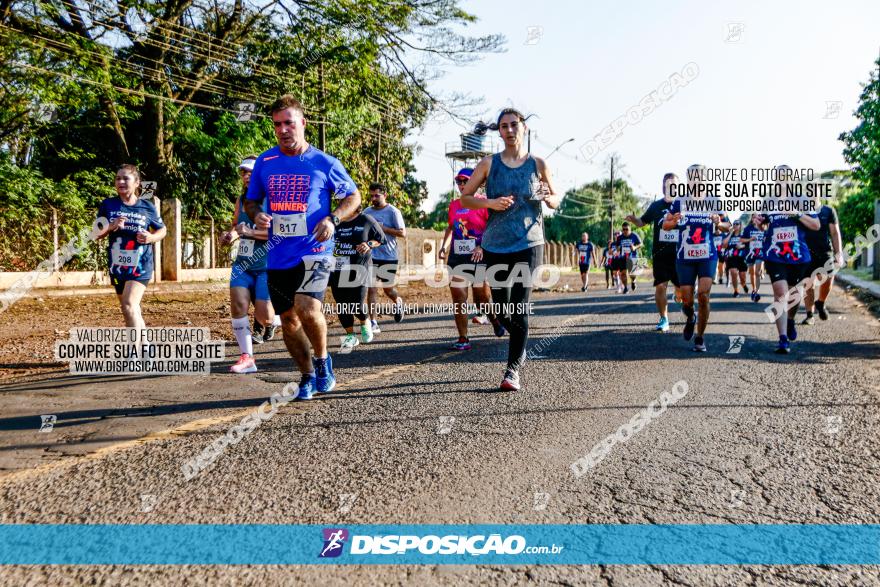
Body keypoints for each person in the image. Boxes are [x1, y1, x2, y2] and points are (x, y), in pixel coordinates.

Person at [244, 94, 362, 399]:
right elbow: (251, 199)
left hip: (315, 250)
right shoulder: (265, 162)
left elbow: (353, 197)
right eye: (277, 124)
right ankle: (307, 375)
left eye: (289, 123)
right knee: (288, 319)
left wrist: (333, 219)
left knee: (307, 308)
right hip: (278, 253)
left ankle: (323, 361)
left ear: (303, 123)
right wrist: (257, 214)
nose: (283, 129)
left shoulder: (324, 162)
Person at [459, 107, 562, 391]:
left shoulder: (538, 164)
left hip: (529, 243)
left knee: (519, 307)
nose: (509, 130)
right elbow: (465, 200)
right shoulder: (488, 164)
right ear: (500, 131)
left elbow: (554, 199)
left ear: (524, 128)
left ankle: (512, 369)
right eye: (504, 126)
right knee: (503, 308)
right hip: (496, 243)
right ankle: (518, 341)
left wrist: (547, 197)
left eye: (514, 124)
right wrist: (490, 204)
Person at [662, 164, 730, 352]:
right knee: (687, 299)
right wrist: (674, 220)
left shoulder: (714, 201)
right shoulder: (679, 201)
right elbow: (665, 226)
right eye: (692, 176)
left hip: (707, 255)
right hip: (685, 256)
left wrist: (718, 222)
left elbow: (728, 227)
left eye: (700, 176)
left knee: (704, 296)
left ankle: (700, 338)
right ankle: (690, 317)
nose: (696, 180)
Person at [221, 156, 278, 374]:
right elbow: (237, 225)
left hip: (266, 264)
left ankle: (276, 321)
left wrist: (251, 232)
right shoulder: (241, 199)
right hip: (243, 264)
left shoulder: (272, 200)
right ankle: (247, 357)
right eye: (243, 172)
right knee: (238, 306)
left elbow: (279, 233)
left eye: (250, 172)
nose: (246, 176)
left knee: (265, 317)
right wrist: (230, 235)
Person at [438, 168, 504, 350]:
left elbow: (494, 228)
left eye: (465, 181)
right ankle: (463, 338)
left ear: (475, 181)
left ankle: (495, 320)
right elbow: (451, 228)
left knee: (481, 297)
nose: (461, 185)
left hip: (479, 256)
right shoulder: (454, 205)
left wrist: (482, 245)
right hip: (458, 257)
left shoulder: (484, 202)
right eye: (458, 181)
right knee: (459, 297)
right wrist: (444, 246)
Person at [94, 164, 167, 328]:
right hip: (118, 266)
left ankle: (134, 351)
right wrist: (111, 226)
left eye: (126, 178)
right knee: (129, 309)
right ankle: (146, 347)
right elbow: (95, 234)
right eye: (118, 178)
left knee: (128, 304)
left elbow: (162, 229)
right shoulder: (108, 205)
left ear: (136, 182)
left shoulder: (147, 206)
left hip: (141, 265)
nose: (121, 181)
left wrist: (151, 237)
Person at [757, 165, 820, 354]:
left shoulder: (801, 199)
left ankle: (791, 320)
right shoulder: (768, 201)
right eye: (778, 177)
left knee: (795, 296)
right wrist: (760, 224)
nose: (781, 180)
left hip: (797, 255)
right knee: (780, 293)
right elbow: (764, 227)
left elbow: (816, 225)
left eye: (785, 177)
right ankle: (783, 338)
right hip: (775, 254)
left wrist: (795, 213)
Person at [626, 172, 680, 332]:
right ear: (663, 187)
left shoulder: (684, 205)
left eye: (674, 184)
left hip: (680, 254)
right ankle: (664, 319)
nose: (671, 186)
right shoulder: (656, 206)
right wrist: (634, 220)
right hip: (660, 254)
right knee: (661, 287)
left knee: (681, 290)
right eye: (668, 184)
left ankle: (680, 297)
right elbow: (643, 222)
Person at [329, 207, 385, 352]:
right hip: (338, 268)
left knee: (357, 303)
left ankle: (365, 321)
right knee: (342, 304)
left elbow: (380, 238)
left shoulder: (366, 220)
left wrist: (369, 244)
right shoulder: (334, 221)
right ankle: (350, 335)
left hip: (360, 268)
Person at [363, 183, 407, 332]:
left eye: (377, 195)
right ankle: (373, 322)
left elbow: (402, 233)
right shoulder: (367, 212)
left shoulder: (393, 212)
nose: (373, 198)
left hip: (388, 256)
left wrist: (383, 229)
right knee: (372, 289)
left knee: (388, 289)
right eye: (371, 195)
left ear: (385, 195)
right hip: (371, 256)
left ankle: (398, 301)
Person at [802, 203, 843, 324]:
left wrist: (838, 253)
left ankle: (820, 302)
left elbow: (835, 233)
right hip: (806, 252)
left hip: (825, 251)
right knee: (808, 284)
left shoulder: (828, 211)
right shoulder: (801, 210)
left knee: (829, 277)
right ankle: (809, 315)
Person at [741, 214, 766, 303]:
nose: (755, 219)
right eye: (754, 217)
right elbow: (742, 240)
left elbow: (768, 237)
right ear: (751, 218)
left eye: (757, 217)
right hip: (750, 253)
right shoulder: (748, 228)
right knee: (752, 273)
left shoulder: (763, 227)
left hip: (760, 253)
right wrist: (750, 239)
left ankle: (756, 291)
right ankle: (754, 288)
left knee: (757, 272)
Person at [722, 220, 749, 298]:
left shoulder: (743, 234)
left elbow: (749, 244)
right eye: (734, 224)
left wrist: (742, 246)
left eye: (737, 224)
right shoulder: (729, 234)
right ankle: (736, 291)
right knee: (733, 272)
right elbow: (724, 244)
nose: (735, 225)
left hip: (741, 257)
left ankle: (743, 284)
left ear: (740, 225)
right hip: (732, 257)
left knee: (742, 277)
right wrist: (730, 233)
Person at [614, 222, 642, 293]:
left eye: (627, 229)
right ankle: (626, 288)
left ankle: (633, 281)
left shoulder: (634, 235)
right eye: (624, 229)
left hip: (632, 257)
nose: (625, 231)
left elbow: (641, 244)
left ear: (630, 229)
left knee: (632, 273)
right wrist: (618, 248)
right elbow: (617, 246)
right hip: (622, 257)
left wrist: (635, 247)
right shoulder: (619, 237)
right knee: (623, 273)